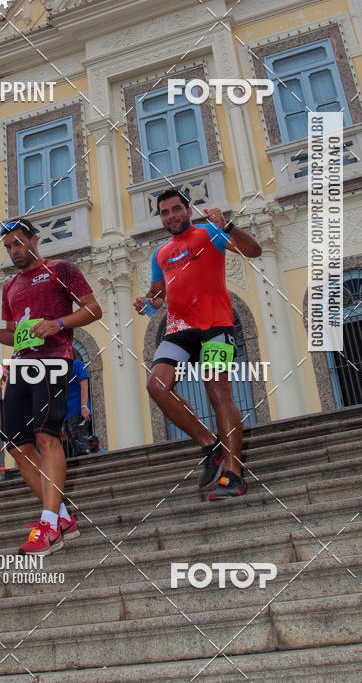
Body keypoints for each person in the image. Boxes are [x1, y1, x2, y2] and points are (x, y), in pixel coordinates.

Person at [0, 218, 102, 555]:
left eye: (18, 243)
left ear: (34, 240)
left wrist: (57, 323)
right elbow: (14, 336)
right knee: (17, 448)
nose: (14, 251)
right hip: (21, 366)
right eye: (9, 247)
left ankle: (47, 526)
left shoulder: (62, 269)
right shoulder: (9, 287)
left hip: (55, 359)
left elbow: (93, 309)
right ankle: (61, 518)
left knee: (46, 436)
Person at [134, 189, 261, 499]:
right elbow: (158, 295)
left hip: (216, 324)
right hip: (179, 329)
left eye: (176, 209)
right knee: (156, 386)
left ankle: (233, 473)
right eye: (165, 212)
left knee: (218, 392)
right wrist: (147, 303)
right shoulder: (160, 253)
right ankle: (210, 445)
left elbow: (253, 251)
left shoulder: (208, 233)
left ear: (187, 210)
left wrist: (227, 225)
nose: (171, 216)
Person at [64, 358, 92, 456]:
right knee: (75, 447)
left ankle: (90, 468)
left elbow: (84, 384)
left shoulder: (76, 364)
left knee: (82, 445)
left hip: (77, 411)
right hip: (67, 415)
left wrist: (84, 406)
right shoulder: (61, 370)